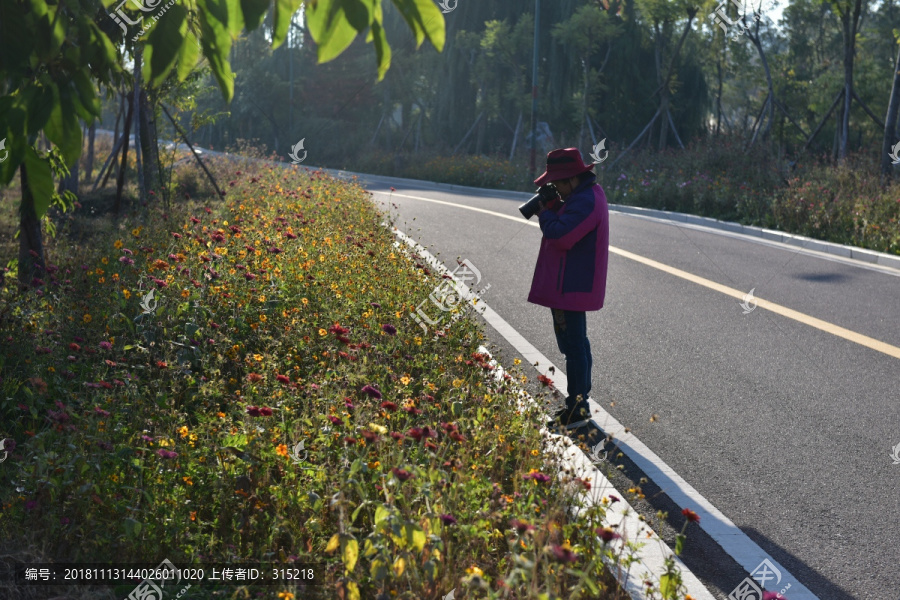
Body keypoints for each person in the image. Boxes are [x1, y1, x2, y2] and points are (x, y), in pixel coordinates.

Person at [527, 147, 610, 437]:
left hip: (570, 283)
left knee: (573, 345)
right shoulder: (584, 195)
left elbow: (560, 235)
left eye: (557, 183)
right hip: (571, 281)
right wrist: (553, 206)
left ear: (572, 178)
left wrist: (546, 212)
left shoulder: (586, 200)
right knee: (575, 343)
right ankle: (578, 403)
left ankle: (578, 407)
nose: (555, 189)